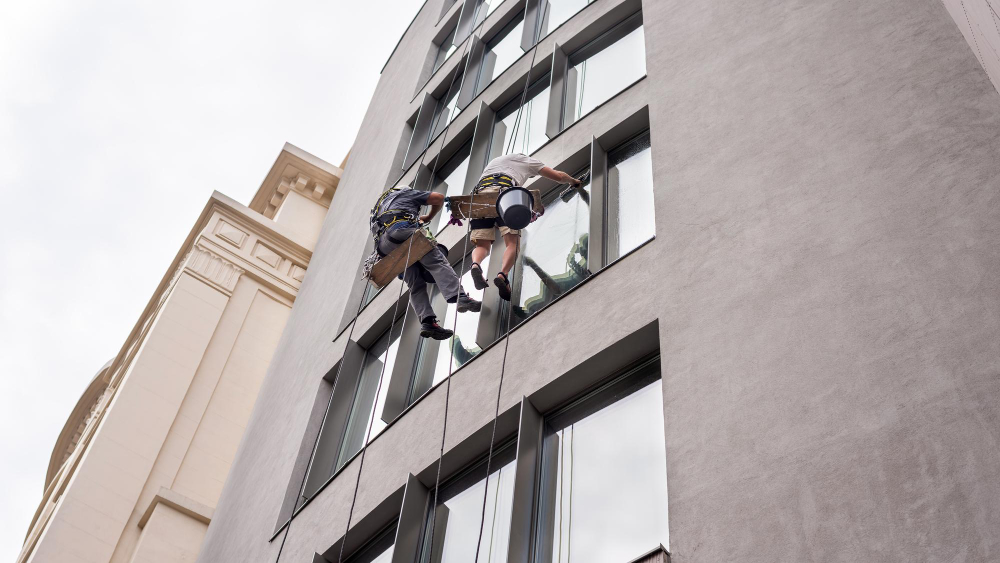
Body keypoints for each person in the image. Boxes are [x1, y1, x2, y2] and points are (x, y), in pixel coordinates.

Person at [370, 186, 481, 340]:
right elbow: (439, 198)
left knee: (415, 283)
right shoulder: (406, 193)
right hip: (402, 231)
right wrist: (428, 217)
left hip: (386, 247)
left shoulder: (379, 208)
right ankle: (460, 297)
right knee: (436, 262)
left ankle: (428, 322)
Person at [468, 153, 582, 300]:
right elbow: (558, 176)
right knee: (512, 243)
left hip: (479, 199)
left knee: (482, 246)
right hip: (504, 196)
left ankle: (476, 265)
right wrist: (573, 181)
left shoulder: (495, 162)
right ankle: (503, 275)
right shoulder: (526, 160)